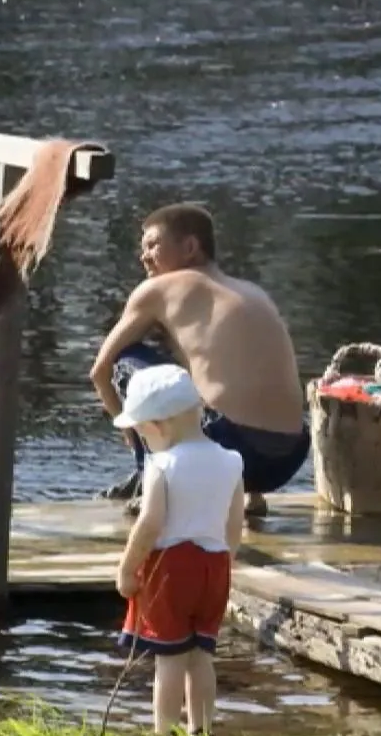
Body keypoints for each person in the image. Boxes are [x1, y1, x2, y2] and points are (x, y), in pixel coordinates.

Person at [89, 203, 308, 516]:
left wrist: (133, 432)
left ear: (190, 247)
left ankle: (150, 480)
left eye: (153, 245)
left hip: (232, 450)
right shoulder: (252, 291)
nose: (144, 256)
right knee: (201, 374)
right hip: (288, 459)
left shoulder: (157, 289)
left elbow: (100, 370)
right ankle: (252, 496)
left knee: (126, 359)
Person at [113, 364, 245, 736]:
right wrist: (227, 561)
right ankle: (201, 731)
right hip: (215, 565)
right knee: (201, 657)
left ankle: (163, 735)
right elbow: (234, 523)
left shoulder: (162, 465)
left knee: (169, 660)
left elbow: (149, 525)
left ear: (158, 426)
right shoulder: (231, 461)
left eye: (140, 432)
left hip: (171, 568)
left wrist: (127, 569)